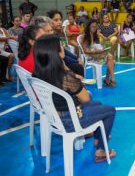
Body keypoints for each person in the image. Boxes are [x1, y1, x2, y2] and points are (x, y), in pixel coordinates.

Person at [32, 34, 116, 162]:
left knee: (98, 103)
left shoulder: (37, 73)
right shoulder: (65, 76)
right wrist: (73, 75)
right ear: (57, 53)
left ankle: (98, 138)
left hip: (54, 117)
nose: (64, 47)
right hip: (70, 120)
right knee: (110, 110)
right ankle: (101, 151)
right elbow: (86, 99)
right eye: (61, 46)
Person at [46, 10, 84, 77]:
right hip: (53, 65)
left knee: (79, 66)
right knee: (78, 67)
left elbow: (63, 50)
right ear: (49, 21)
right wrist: (75, 61)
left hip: (59, 61)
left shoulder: (55, 34)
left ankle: (79, 85)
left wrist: (77, 58)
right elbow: (59, 56)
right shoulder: (48, 36)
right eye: (56, 20)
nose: (59, 22)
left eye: (60, 19)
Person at [82, 20, 116, 86]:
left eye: (95, 27)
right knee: (111, 59)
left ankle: (108, 79)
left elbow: (96, 46)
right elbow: (85, 51)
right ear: (89, 27)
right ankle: (110, 79)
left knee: (111, 59)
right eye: (92, 27)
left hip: (96, 55)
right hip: (90, 57)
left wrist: (101, 48)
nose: (94, 28)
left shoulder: (95, 35)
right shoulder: (85, 36)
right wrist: (95, 51)